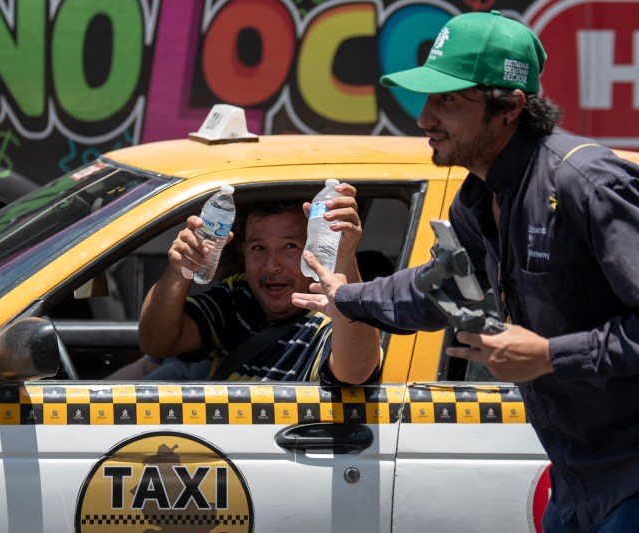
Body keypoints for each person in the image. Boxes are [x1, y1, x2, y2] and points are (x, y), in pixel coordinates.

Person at [293, 10, 639, 532]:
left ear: (509, 108)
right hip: (578, 480)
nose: (424, 118)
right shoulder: (479, 198)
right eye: (427, 98)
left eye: (447, 100)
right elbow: (437, 291)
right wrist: (348, 296)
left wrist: (547, 355)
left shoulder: (584, 183)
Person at [132, 185, 380, 384]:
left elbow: (355, 372)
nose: (272, 266)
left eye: (290, 247)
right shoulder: (239, 294)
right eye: (258, 248)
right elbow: (156, 342)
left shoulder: (330, 314)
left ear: (317, 246)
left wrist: (345, 258)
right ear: (243, 252)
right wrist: (179, 268)